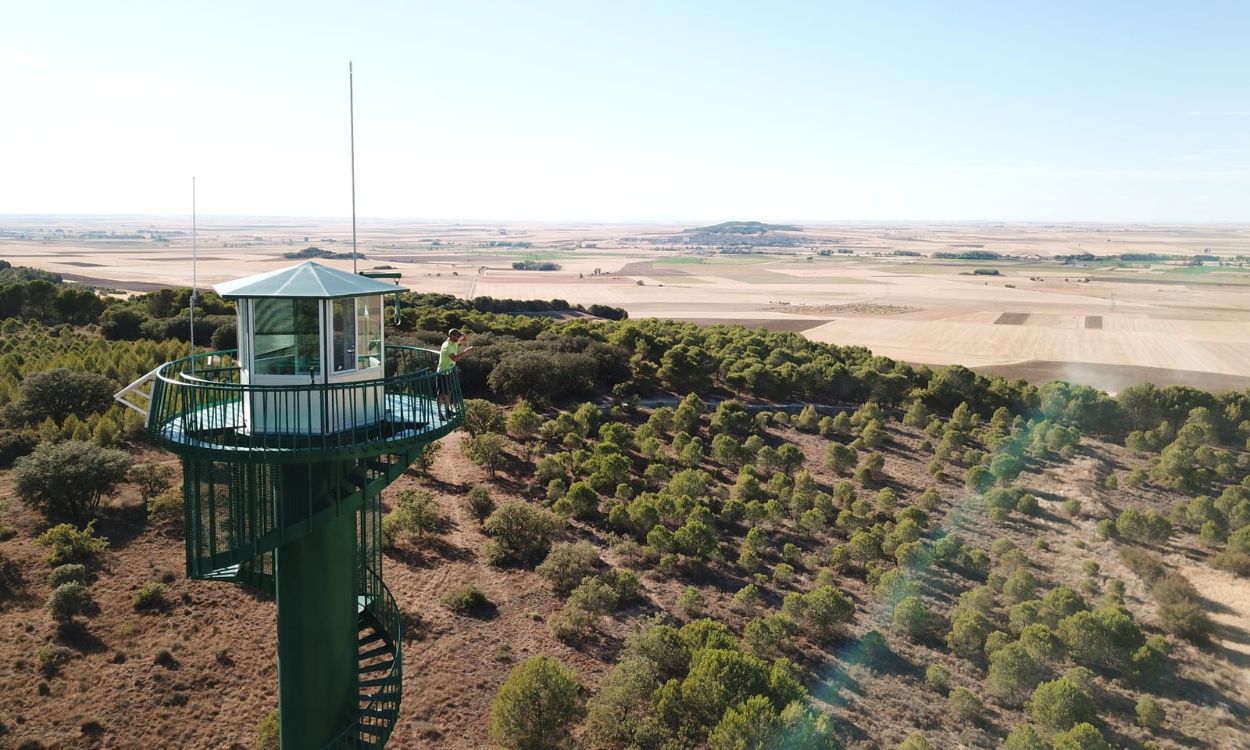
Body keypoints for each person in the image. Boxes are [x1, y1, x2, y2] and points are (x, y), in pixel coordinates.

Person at [437, 328, 473, 419]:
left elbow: (464, 339)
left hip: (448, 371)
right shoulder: (447, 346)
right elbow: (455, 359)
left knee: (448, 392)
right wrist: (466, 352)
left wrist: (463, 336)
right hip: (442, 372)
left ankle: (448, 411)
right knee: (441, 394)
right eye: (457, 336)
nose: (458, 337)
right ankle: (440, 413)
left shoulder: (454, 342)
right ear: (452, 336)